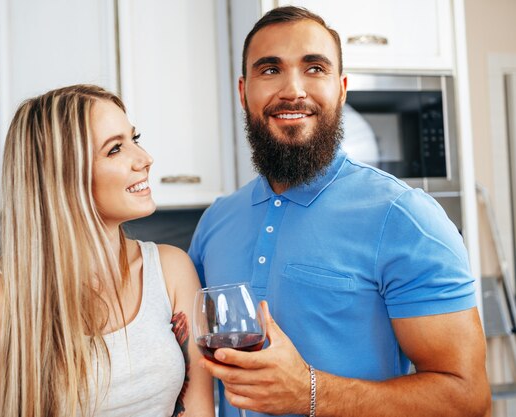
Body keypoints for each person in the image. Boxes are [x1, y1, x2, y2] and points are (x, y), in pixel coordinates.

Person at [188, 6, 490, 417]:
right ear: (243, 91)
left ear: (342, 88)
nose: (293, 90)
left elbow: (468, 400)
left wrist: (309, 392)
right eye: (270, 69)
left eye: (314, 68)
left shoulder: (405, 217)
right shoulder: (216, 221)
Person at [0, 85, 215, 417]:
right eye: (115, 149)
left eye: (134, 139)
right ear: (62, 174)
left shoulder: (171, 270)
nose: (145, 159)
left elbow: (198, 409)